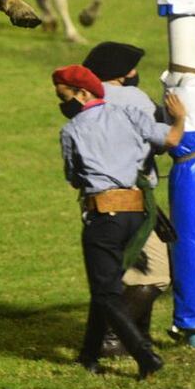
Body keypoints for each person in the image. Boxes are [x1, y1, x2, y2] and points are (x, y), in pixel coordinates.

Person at [53, 64, 186, 378]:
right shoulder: (128, 114)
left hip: (103, 217)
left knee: (105, 293)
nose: (61, 104)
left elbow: (73, 177)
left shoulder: (71, 131)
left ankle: (145, 356)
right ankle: (88, 357)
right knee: (105, 290)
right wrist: (179, 117)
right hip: (137, 215)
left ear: (83, 93)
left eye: (64, 96)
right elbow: (170, 140)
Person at [82, 41, 171, 356]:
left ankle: (137, 337)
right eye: (132, 68)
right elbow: (161, 143)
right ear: (121, 74)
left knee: (126, 269)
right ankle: (111, 336)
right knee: (157, 273)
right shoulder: (134, 98)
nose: (135, 74)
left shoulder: (86, 100)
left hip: (96, 199)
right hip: (132, 198)